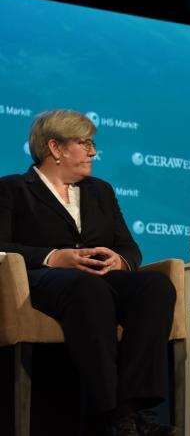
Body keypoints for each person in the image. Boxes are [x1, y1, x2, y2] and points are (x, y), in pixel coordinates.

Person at [0, 110, 176, 436]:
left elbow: (129, 247)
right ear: (55, 148)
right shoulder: (12, 188)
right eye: (84, 143)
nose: (93, 152)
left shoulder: (101, 191)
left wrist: (118, 260)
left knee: (155, 286)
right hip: (41, 279)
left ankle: (131, 411)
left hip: (100, 279)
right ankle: (105, 411)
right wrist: (54, 257)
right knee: (87, 288)